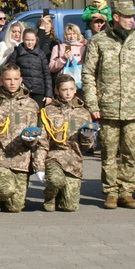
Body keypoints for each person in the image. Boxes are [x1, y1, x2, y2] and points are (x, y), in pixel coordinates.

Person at [82, 0, 135, 209]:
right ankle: (111, 192)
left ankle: (126, 191)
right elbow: (88, 73)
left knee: (130, 153)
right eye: (127, 17)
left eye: (133, 17)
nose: (131, 21)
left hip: (134, 107)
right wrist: (93, 104)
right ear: (116, 17)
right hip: (108, 107)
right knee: (108, 153)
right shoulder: (99, 41)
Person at [0, 64, 40, 213]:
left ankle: (1, 197)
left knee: (15, 207)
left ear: (21, 80)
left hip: (21, 159)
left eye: (15, 79)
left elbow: (37, 134)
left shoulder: (31, 104)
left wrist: (31, 140)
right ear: (1, 81)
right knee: (5, 190)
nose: (12, 83)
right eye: (8, 79)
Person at [34, 74, 94, 212]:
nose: (68, 93)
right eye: (64, 89)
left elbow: (88, 146)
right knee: (55, 180)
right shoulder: (47, 111)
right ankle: (50, 196)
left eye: (71, 89)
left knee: (69, 206)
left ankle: (60, 194)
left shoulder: (83, 113)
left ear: (75, 90)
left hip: (74, 162)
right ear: (57, 90)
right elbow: (42, 142)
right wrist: (39, 167)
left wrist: (88, 137)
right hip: (54, 158)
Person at [7, 28, 52, 108]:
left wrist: (48, 94)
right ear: (23, 39)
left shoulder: (41, 54)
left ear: (36, 40)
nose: (30, 42)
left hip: (38, 91)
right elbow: (8, 70)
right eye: (27, 40)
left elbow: (47, 74)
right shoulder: (16, 53)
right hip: (22, 90)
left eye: (32, 40)